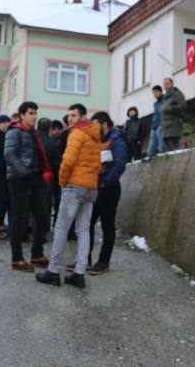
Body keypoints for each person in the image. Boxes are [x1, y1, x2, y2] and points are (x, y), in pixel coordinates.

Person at [36, 103, 101, 289]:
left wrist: (63, 181)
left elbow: (68, 161)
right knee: (83, 230)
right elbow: (98, 165)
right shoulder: (94, 135)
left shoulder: (77, 133)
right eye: (69, 115)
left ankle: (53, 271)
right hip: (90, 187)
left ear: (83, 116)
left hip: (74, 186)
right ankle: (79, 274)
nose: (70, 118)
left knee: (61, 227)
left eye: (74, 115)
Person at [4, 101, 54, 273]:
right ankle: (16, 258)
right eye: (31, 113)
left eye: (35, 113)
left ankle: (37, 254)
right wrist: (23, 172)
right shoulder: (15, 131)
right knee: (21, 219)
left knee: (43, 216)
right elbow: (9, 154)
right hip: (19, 180)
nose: (34, 117)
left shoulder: (33, 133)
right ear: (22, 115)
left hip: (35, 180)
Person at [86, 111, 126, 275]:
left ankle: (103, 262)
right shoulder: (98, 141)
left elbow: (120, 165)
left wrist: (105, 184)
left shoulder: (117, 140)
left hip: (109, 189)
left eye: (96, 125)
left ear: (104, 125)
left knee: (107, 225)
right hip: (94, 187)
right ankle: (84, 259)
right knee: (87, 223)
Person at [37, 117, 61, 230]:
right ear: (49, 129)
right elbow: (57, 164)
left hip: (31, 177)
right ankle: (44, 229)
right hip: (48, 179)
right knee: (45, 206)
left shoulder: (31, 139)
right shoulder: (54, 143)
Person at [160, 77, 187, 151]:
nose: (165, 86)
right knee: (169, 149)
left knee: (174, 147)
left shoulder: (177, 94)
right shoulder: (165, 97)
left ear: (172, 84)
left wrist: (170, 108)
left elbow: (182, 106)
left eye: (167, 84)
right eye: (164, 84)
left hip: (173, 125)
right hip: (165, 127)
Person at [147, 86, 165, 158]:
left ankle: (163, 159)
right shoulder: (155, 103)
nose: (155, 94)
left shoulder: (165, 100)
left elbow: (165, 113)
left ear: (160, 91)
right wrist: (152, 126)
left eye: (156, 92)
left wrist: (162, 124)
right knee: (150, 151)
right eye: (153, 93)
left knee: (162, 147)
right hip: (154, 127)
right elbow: (155, 115)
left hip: (161, 126)